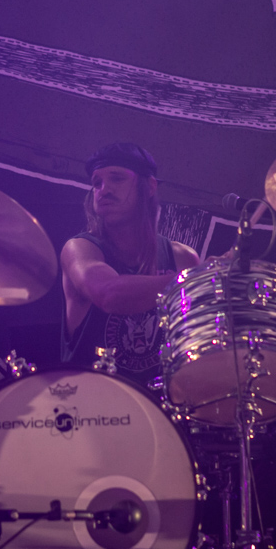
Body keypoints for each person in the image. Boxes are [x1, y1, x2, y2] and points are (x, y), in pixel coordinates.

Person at [60, 142, 200, 389]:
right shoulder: (80, 249)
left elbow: (192, 346)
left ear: (149, 187)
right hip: (88, 405)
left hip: (158, 406)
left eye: (116, 178)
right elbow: (109, 294)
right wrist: (195, 278)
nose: (103, 190)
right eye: (97, 183)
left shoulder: (182, 258)